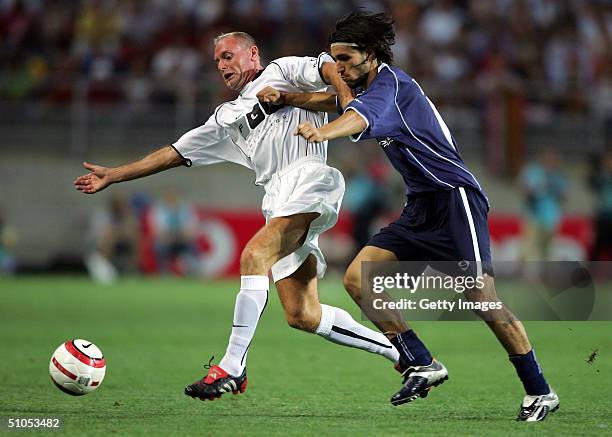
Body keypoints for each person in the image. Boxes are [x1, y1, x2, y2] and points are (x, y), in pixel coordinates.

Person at [262, 11, 559, 421]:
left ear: (370, 55)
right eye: (335, 59)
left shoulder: (391, 84)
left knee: (481, 298)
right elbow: (336, 101)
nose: (339, 68)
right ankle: (421, 361)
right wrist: (287, 98)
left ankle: (539, 390)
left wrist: (322, 132)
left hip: (454, 200)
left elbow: (354, 117)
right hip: (421, 204)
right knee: (357, 278)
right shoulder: (367, 85)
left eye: (346, 59)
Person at [74, 31, 403, 402]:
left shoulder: (281, 71)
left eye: (228, 56)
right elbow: (174, 152)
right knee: (302, 314)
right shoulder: (226, 117)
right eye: (217, 61)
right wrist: (115, 174)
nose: (222, 65)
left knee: (253, 256)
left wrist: (345, 98)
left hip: (310, 177)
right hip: (276, 197)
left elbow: (327, 66)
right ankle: (401, 351)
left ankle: (232, 365)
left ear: (253, 54)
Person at [519, 147, 567, 261]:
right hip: (533, 216)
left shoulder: (558, 176)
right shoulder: (534, 173)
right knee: (530, 246)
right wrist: (533, 191)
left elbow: (564, 195)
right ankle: (529, 274)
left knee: (547, 249)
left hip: (551, 218)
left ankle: (545, 273)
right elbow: (525, 191)